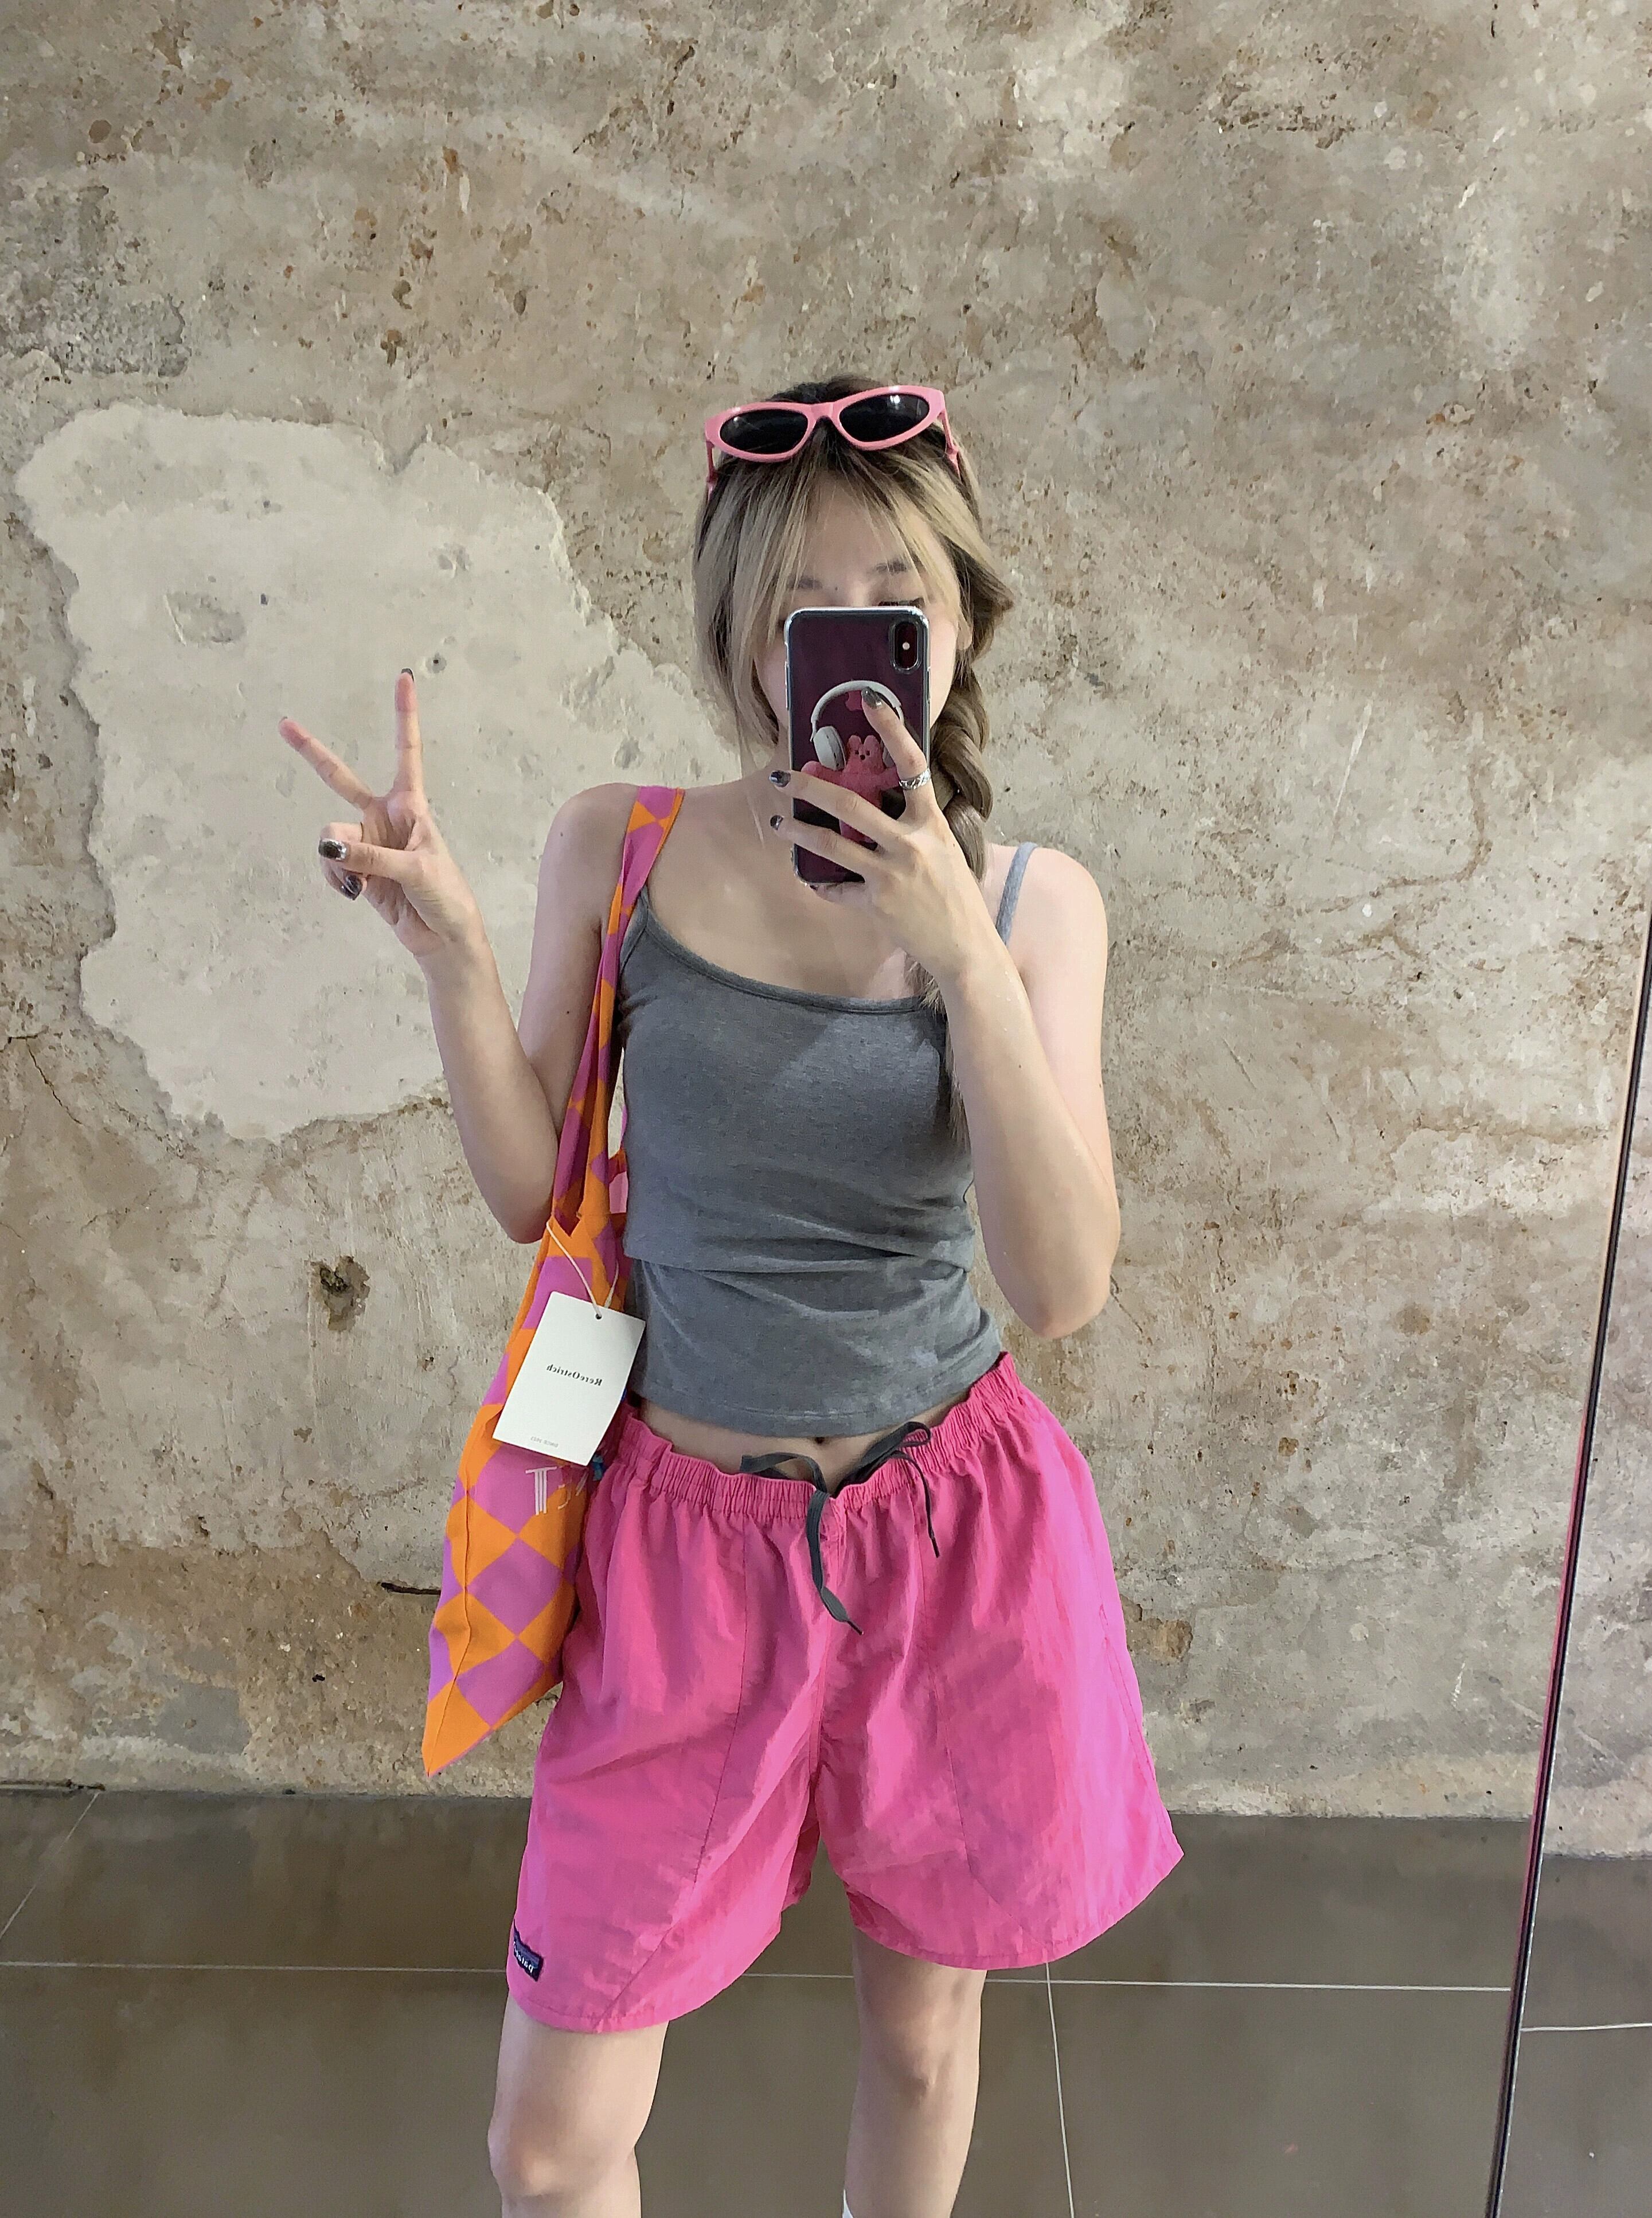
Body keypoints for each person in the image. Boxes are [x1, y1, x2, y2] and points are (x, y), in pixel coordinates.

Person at [280, 375, 1182, 2218]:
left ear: (955, 622)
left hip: (953, 1543)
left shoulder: (1033, 905)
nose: (847, 648)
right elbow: (530, 1190)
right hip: (686, 1556)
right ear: (736, 639)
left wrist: (960, 961)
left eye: (892, 604)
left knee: (922, 2043)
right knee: (550, 2145)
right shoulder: (615, 845)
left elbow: (1060, 1282)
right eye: (798, 611)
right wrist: (453, 955)